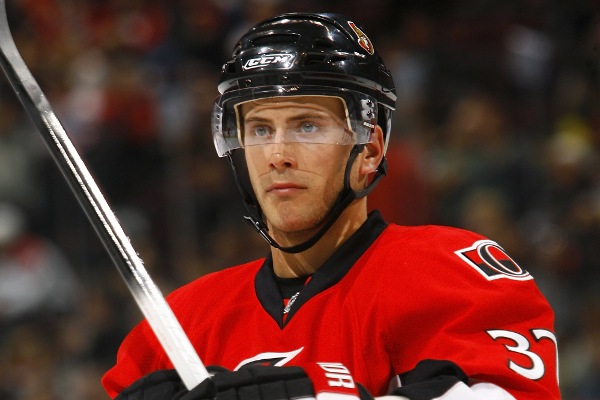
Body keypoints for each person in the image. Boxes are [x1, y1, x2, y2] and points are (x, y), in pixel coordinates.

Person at [102, 13, 560, 400]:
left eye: (307, 125)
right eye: (259, 129)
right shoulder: (180, 325)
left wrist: (321, 395)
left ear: (370, 150)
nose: (277, 154)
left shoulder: (453, 274)